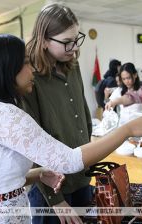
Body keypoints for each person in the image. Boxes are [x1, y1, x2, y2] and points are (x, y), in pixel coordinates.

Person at [0, 34, 142, 224]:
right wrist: (126, 130)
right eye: (24, 63)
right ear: (5, 69)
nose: (32, 69)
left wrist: (37, 174)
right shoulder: (5, 115)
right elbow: (69, 160)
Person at [24, 3, 101, 223]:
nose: (74, 48)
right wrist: (55, 199)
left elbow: (84, 118)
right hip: (51, 189)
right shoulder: (30, 78)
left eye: (76, 40)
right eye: (67, 42)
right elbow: (31, 144)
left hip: (82, 180)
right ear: (44, 40)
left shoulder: (72, 66)